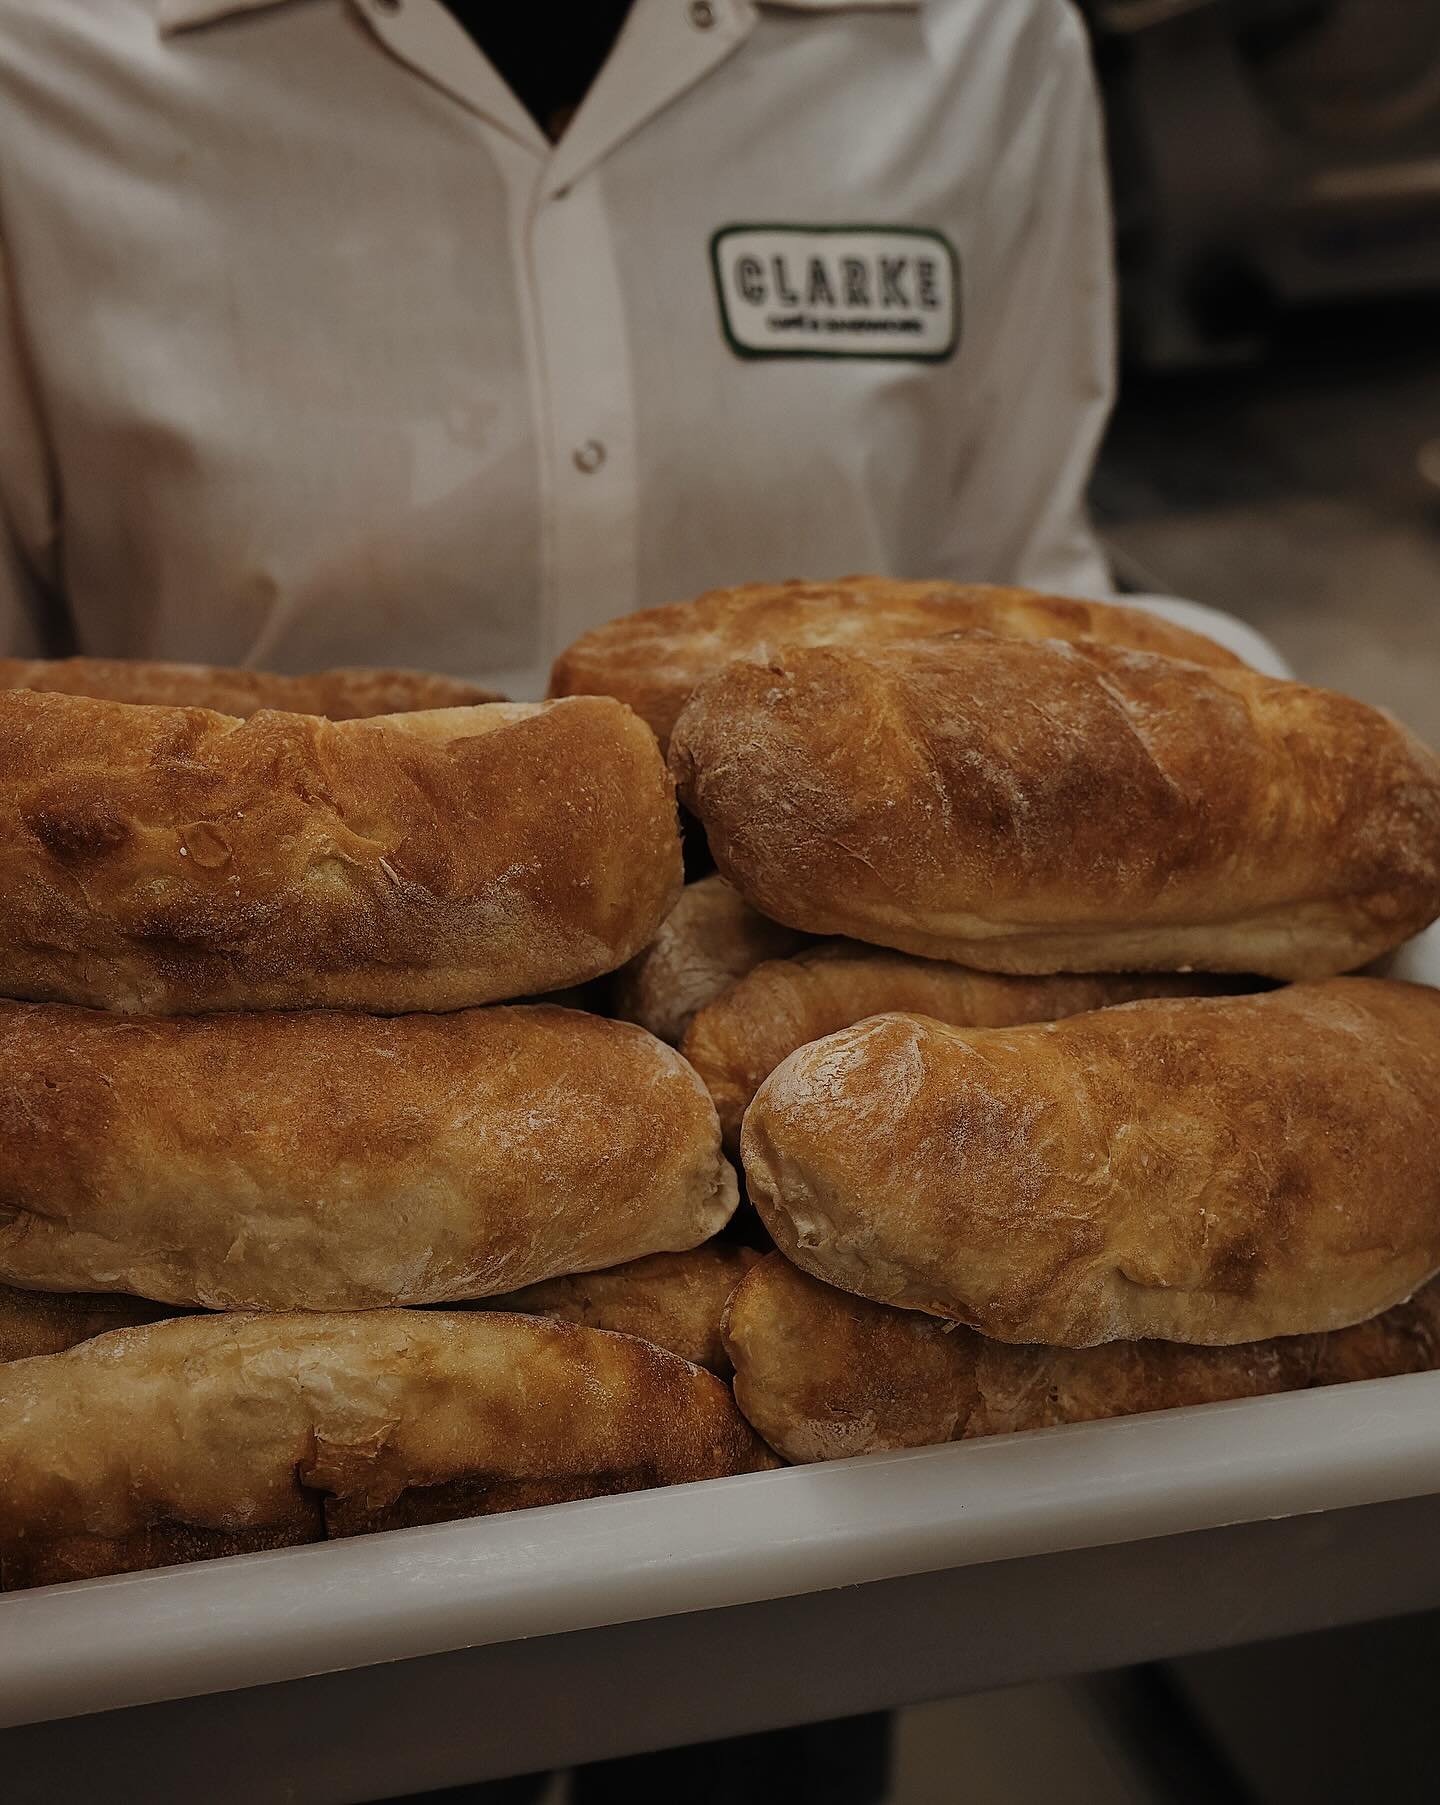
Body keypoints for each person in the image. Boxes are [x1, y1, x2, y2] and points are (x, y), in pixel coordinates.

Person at [0, 0, 1206, 695]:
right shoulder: (44, 72)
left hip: (862, 1060)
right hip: (223, 1061)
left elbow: (1015, 592)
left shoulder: (975, 44)